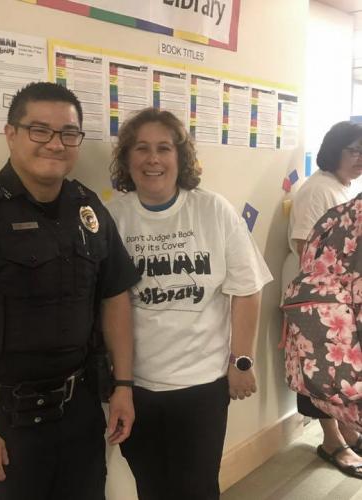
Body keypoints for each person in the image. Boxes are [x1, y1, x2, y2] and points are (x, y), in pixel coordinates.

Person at [0, 82, 139, 500]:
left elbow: (115, 297)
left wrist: (122, 384)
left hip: (80, 417)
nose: (55, 143)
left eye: (68, 133)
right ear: (11, 134)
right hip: (1, 425)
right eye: (40, 130)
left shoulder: (88, 210)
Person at [107, 108, 273, 500]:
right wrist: (120, 384)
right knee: (151, 486)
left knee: (196, 488)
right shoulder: (112, 217)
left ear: (180, 158)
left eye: (164, 148)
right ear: (127, 159)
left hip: (202, 384)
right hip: (137, 386)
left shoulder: (213, 210)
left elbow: (246, 289)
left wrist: (241, 362)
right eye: (142, 148)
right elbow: (109, 304)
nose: (153, 159)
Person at [283, 120, 362, 477]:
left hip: (341, 297)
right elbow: (306, 250)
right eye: (353, 151)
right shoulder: (319, 190)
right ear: (334, 151)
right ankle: (333, 440)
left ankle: (345, 432)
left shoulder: (343, 189)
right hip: (319, 300)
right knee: (320, 369)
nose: (360, 158)